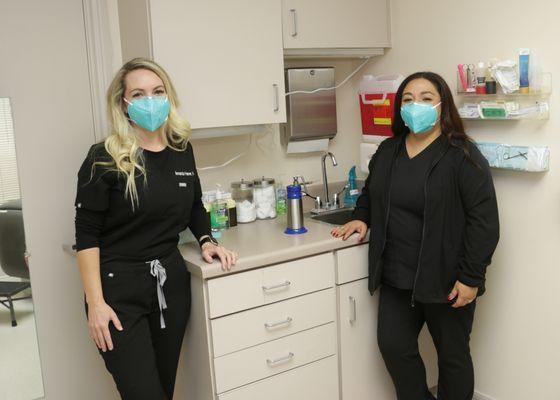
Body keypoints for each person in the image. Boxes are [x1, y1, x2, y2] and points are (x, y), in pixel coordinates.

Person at [74, 57, 237, 400]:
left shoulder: (181, 150)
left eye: (157, 91)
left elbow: (194, 204)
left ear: (168, 96)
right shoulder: (103, 157)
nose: (151, 99)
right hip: (118, 294)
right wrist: (96, 304)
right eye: (139, 93)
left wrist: (207, 239)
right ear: (124, 103)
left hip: (170, 287)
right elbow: (86, 234)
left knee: (163, 389)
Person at [332, 71, 499, 400]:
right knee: (394, 347)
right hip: (397, 276)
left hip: (447, 277)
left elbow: (485, 220)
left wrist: (471, 276)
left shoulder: (461, 154)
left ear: (441, 105)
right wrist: (361, 217)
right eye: (407, 99)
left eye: (425, 98)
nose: (415, 105)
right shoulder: (389, 150)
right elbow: (371, 191)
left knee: (452, 358)